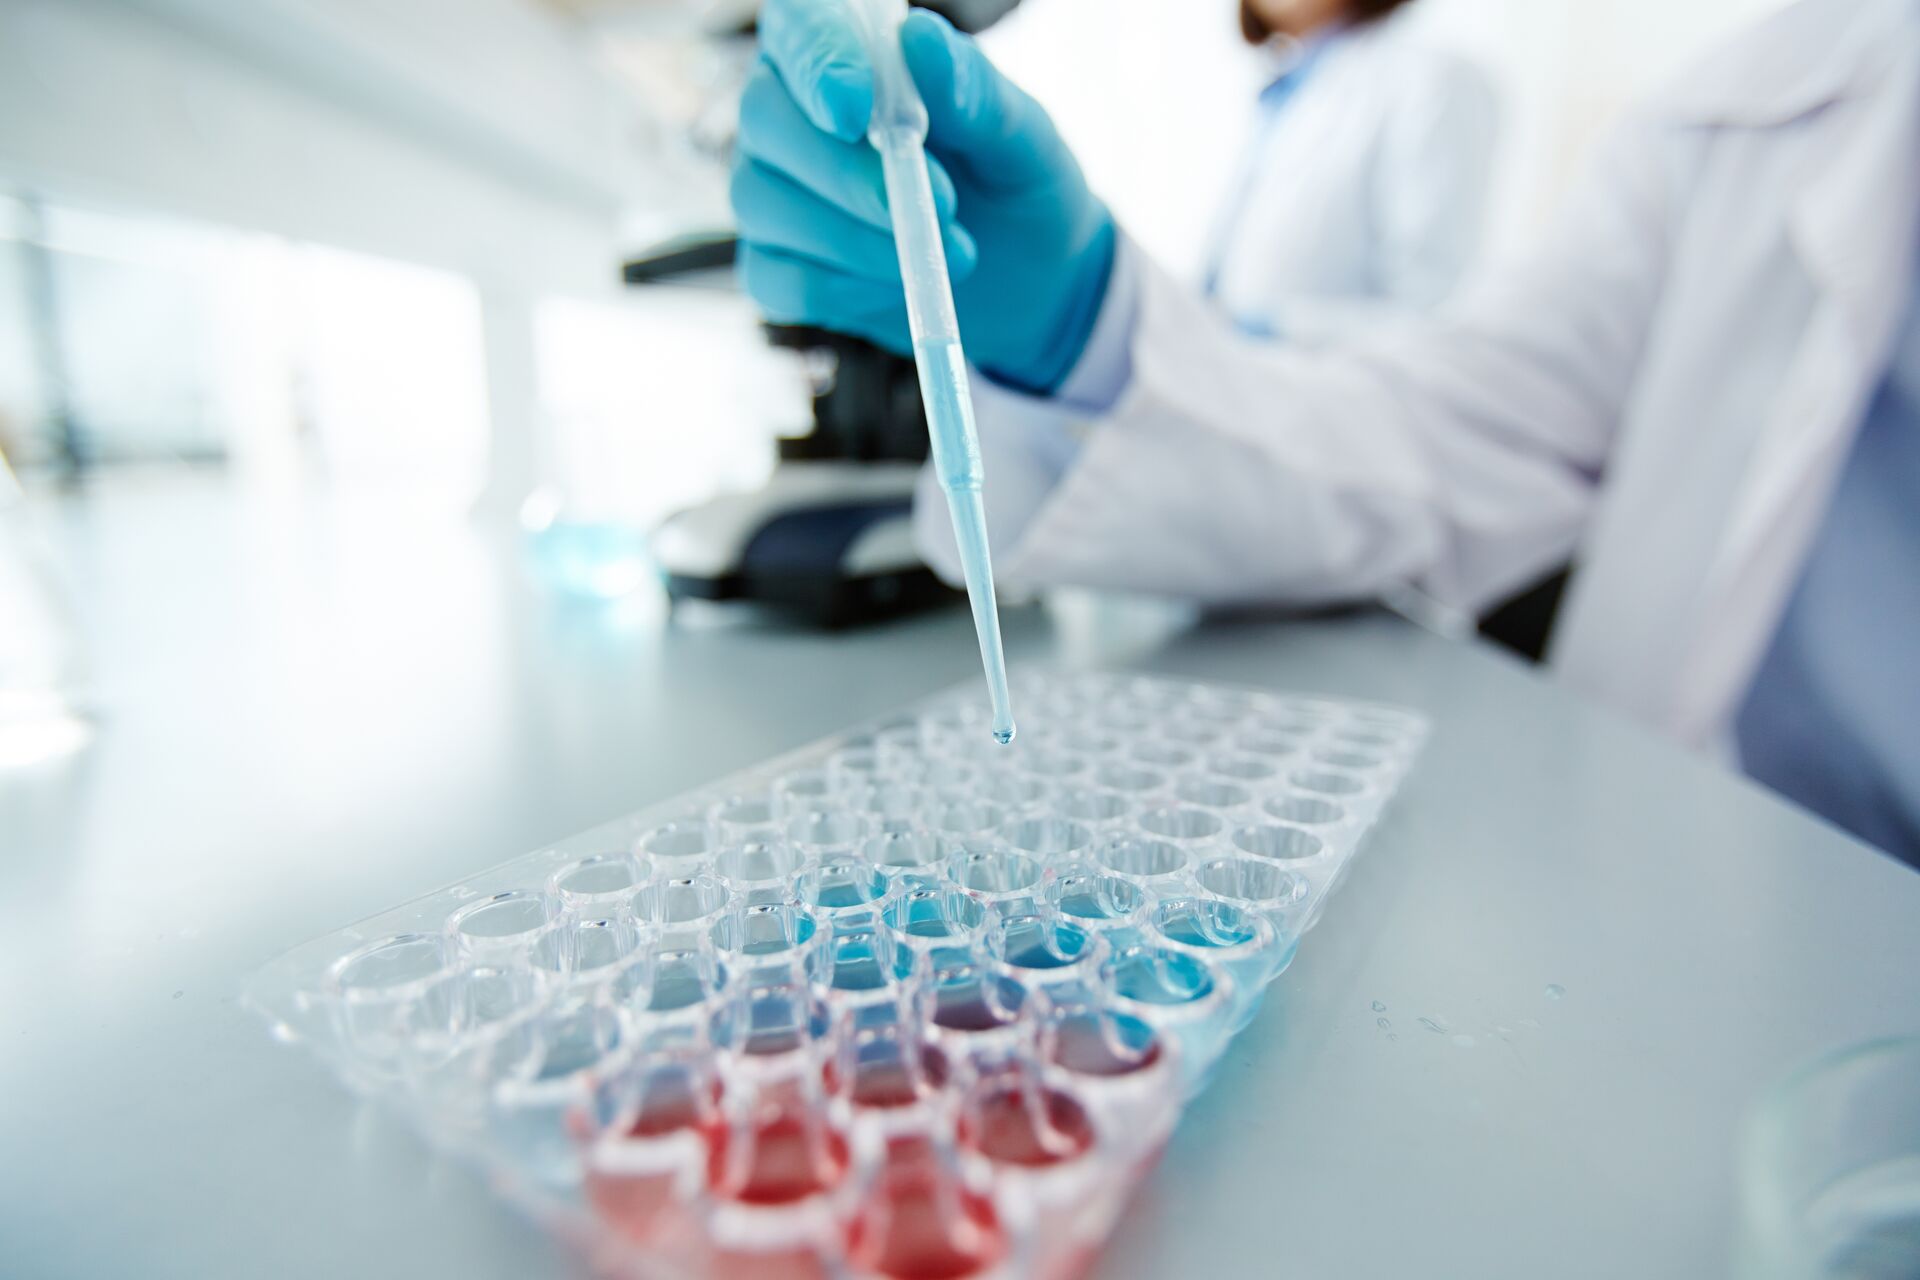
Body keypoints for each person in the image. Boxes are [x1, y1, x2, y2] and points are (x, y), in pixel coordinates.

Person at [728, 0, 1920, 866]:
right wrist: (1081, 325)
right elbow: (1449, 425)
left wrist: (1235, 330)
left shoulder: (1434, 75)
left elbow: (1406, 310)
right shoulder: (1763, 113)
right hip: (1692, 898)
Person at [1202, 0, 1501, 340]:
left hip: (1321, 388)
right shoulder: (1283, 93)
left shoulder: (1434, 81)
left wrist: (1268, 329)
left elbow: (1429, 318)